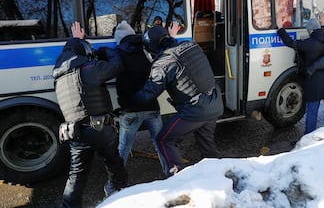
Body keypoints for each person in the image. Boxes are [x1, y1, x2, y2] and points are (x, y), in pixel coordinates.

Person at [122, 25, 224, 176]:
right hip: (215, 104)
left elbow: (147, 94)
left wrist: (126, 102)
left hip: (195, 111)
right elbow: (179, 54)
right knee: (207, 146)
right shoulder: (191, 45)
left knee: (164, 140)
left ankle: (179, 178)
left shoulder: (164, 64)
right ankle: (218, 176)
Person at [53, 21, 127, 207]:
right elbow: (117, 66)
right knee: (115, 165)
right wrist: (105, 52)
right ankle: (121, 198)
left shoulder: (59, 77)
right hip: (100, 128)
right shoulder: (89, 68)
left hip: (75, 132)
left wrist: (75, 40)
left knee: (76, 176)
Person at [113, 20, 169, 176]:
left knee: (124, 147)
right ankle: (171, 176)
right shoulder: (148, 49)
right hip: (152, 106)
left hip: (130, 109)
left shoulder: (117, 53)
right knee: (160, 143)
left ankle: (114, 185)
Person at [277, 18, 324, 134]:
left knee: (312, 113)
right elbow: (323, 32)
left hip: (315, 84)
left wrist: (281, 30)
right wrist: (323, 24)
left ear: (310, 30)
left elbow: (289, 43)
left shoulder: (308, 43)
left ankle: (309, 137)